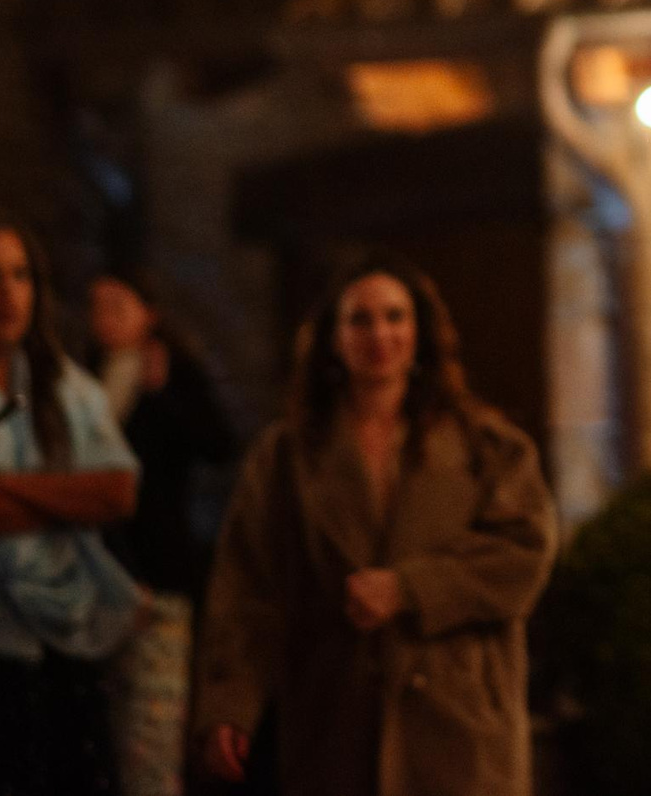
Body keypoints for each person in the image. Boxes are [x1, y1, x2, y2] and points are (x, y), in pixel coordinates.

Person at [194, 253, 558, 796]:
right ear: (332, 338)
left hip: (458, 724)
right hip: (336, 718)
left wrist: (411, 588)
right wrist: (231, 704)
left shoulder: (487, 445)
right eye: (359, 319)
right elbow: (248, 585)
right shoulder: (288, 456)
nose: (379, 334)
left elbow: (525, 553)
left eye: (395, 316)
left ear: (420, 331)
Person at [0, 219, 143, 795]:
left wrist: (2, 489)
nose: (8, 294)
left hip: (62, 640)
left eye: (21, 276)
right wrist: (63, 498)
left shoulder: (67, 387)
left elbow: (116, 492)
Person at [86, 272, 238, 796]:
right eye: (96, 307)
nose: (104, 318)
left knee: (152, 736)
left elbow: (219, 445)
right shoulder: (84, 377)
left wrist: (162, 395)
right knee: (98, 735)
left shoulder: (173, 369)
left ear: (148, 311)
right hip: (90, 577)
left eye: (117, 305)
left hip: (160, 574)